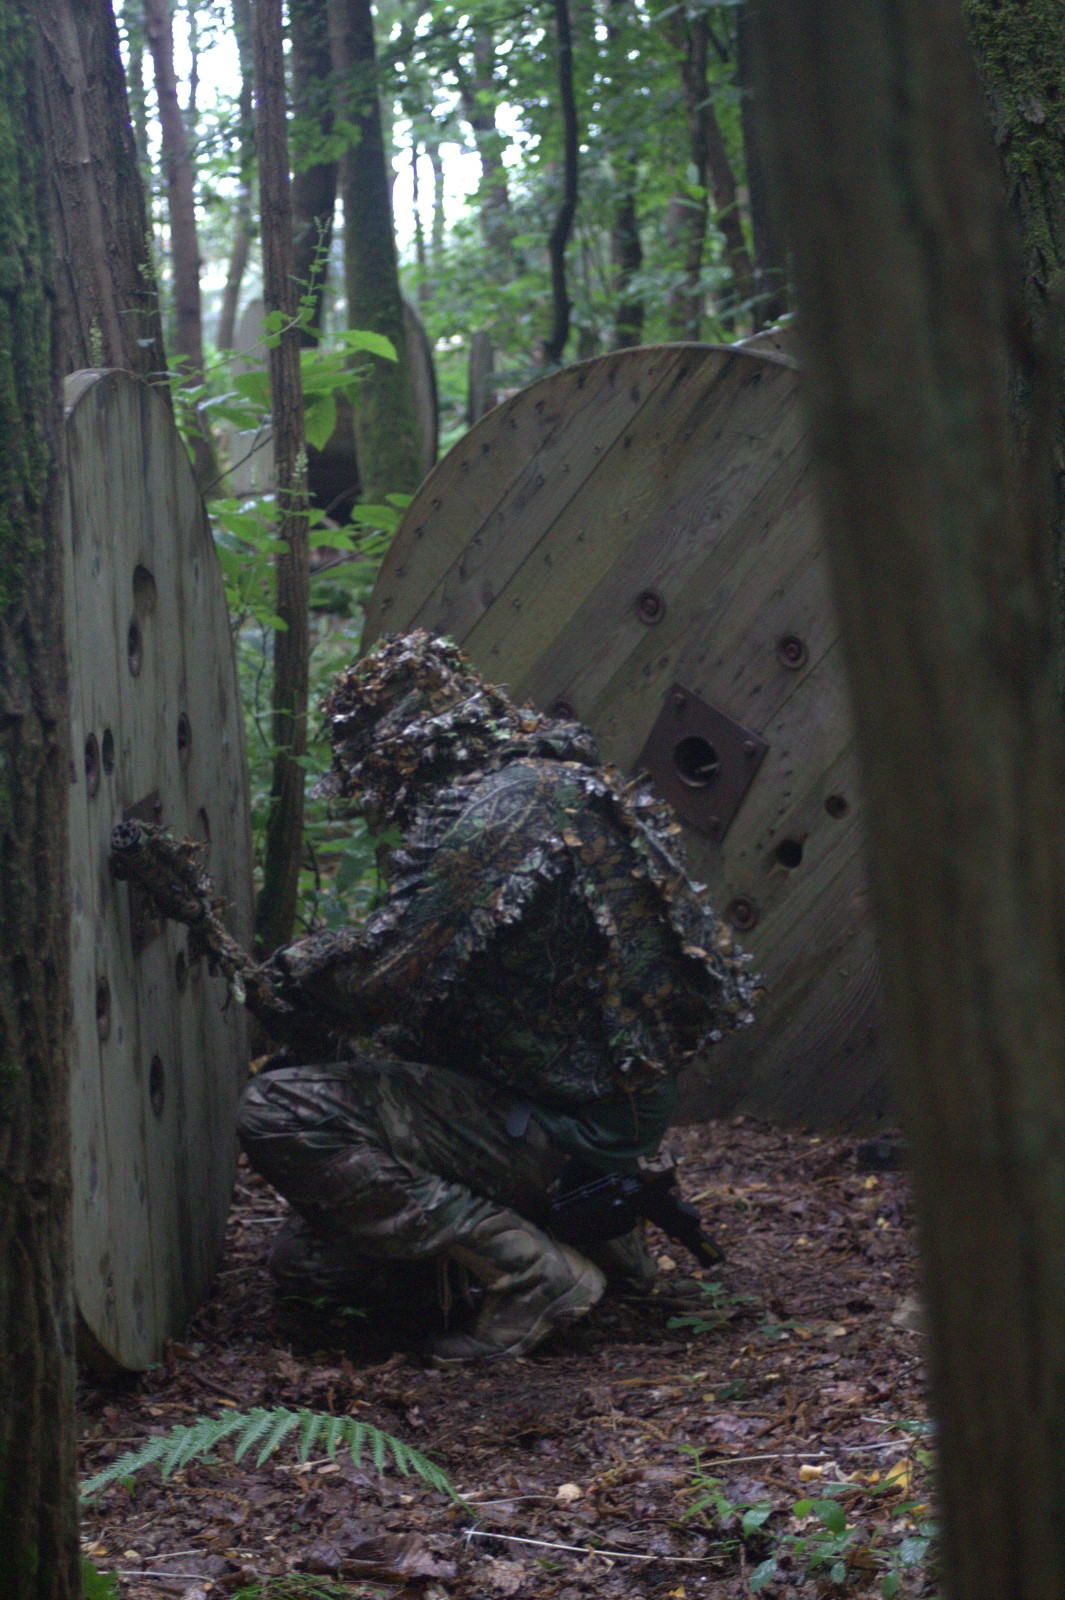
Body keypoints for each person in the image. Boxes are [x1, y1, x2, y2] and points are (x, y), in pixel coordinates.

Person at [237, 631, 759, 1362]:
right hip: (598, 1111)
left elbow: (380, 982)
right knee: (312, 1267)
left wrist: (293, 971)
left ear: (401, 748)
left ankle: (532, 1271)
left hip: (564, 1123)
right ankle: (592, 1239)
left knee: (279, 1109)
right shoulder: (557, 784)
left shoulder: (501, 812)